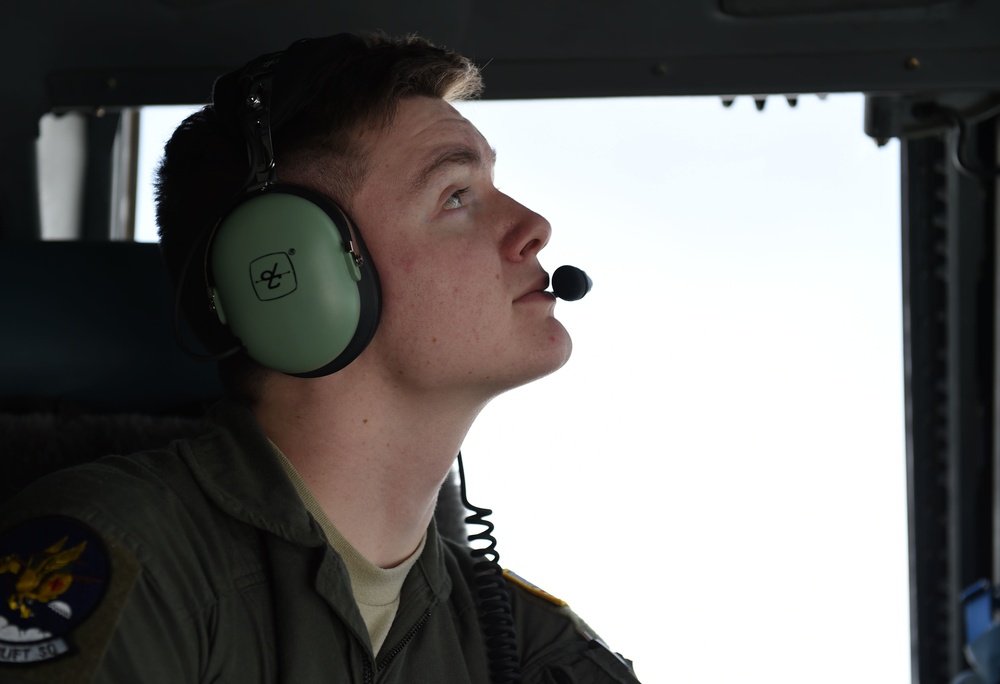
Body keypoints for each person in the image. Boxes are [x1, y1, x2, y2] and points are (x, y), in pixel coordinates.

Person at [0, 32, 640, 683]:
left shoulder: (535, 649)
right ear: (294, 275)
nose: (535, 226)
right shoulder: (108, 559)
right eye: (455, 195)